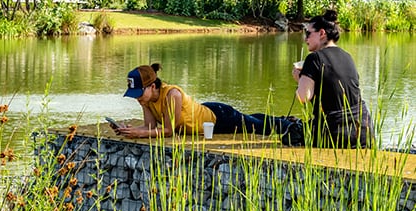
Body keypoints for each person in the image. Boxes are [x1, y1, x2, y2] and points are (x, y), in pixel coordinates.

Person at [116, 63, 301, 142]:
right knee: (251, 120)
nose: (138, 97)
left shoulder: (172, 94)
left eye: (140, 92)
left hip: (218, 117)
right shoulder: (147, 100)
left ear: (153, 86)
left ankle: (290, 125)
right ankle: (284, 119)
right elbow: (150, 126)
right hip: (207, 118)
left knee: (256, 126)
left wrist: (139, 134)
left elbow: (168, 131)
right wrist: (129, 130)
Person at [292, 9, 374, 148]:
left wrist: (299, 79)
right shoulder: (347, 56)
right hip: (363, 132)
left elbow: (303, 97)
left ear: (322, 33)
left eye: (308, 33)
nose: (306, 39)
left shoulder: (314, 58)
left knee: (290, 134)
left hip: (335, 133)